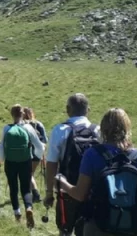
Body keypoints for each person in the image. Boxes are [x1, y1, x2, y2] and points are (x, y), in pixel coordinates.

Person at [56, 108, 137, 236]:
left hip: (98, 226)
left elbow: (80, 194)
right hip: (134, 226)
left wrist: (62, 182)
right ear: (127, 129)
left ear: (103, 129)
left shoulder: (92, 155)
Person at [44, 93, 101, 236]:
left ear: (68, 109)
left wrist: (49, 192)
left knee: (65, 231)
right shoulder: (97, 131)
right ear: (88, 110)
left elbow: (51, 164)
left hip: (67, 191)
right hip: (92, 192)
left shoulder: (60, 130)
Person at [0, 104, 45, 228]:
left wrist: (2, 159)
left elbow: (1, 146)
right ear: (23, 114)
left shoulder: (6, 128)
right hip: (25, 161)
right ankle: (28, 208)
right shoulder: (28, 128)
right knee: (25, 188)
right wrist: (36, 155)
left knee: (13, 188)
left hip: (10, 162)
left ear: (12, 115)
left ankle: (17, 214)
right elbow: (39, 146)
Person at [23, 106, 48, 203]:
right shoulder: (39, 124)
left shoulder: (23, 125)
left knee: (28, 173)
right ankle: (33, 192)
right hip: (38, 151)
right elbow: (45, 140)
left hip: (27, 151)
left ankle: (35, 193)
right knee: (30, 173)